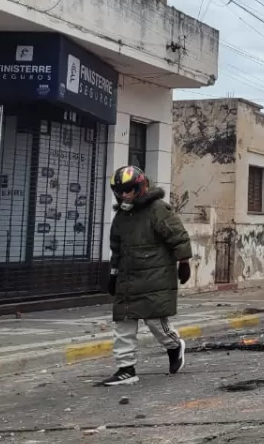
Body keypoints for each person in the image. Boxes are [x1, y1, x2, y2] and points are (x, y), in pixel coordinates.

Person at [102, 165, 193, 387]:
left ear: (140, 187)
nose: (125, 194)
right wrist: (113, 274)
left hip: (155, 276)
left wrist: (184, 262)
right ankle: (126, 369)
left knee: (155, 323)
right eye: (120, 190)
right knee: (123, 325)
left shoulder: (157, 209)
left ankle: (174, 346)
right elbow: (116, 248)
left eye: (129, 189)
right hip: (127, 278)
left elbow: (178, 237)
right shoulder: (121, 217)